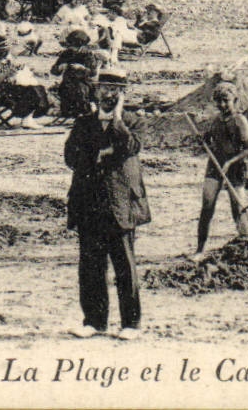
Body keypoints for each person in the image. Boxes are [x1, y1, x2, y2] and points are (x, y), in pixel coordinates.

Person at [63, 65, 149, 339]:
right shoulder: (82, 122)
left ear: (123, 94)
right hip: (88, 202)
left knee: (125, 265)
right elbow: (70, 158)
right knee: (90, 266)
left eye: (116, 91)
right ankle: (94, 321)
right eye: (105, 89)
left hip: (120, 202)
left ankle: (130, 324)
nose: (109, 95)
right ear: (96, 91)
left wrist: (118, 120)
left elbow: (129, 147)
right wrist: (100, 153)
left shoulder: (133, 122)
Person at [195, 78, 248, 255]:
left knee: (238, 208)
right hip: (215, 165)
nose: (222, 104)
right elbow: (209, 138)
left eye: (226, 101)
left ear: (235, 101)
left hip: (235, 167)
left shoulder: (240, 121)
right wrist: (202, 139)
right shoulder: (216, 120)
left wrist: (230, 162)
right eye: (218, 101)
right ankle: (200, 249)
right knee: (207, 206)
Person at [52, 29, 102, 121]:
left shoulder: (88, 55)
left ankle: (84, 113)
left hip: (84, 82)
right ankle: (70, 112)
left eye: (73, 46)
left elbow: (93, 72)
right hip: (68, 82)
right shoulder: (66, 54)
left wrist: (82, 68)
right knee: (65, 90)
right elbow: (53, 71)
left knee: (81, 91)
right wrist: (59, 67)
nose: (71, 48)